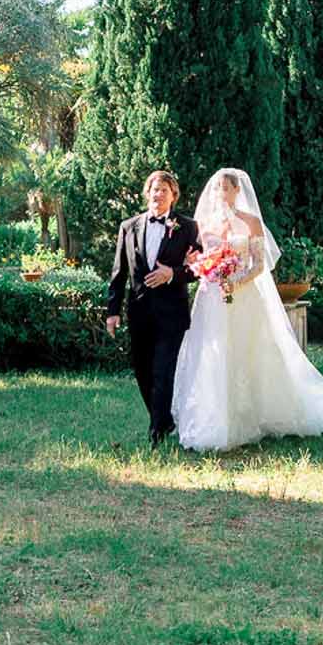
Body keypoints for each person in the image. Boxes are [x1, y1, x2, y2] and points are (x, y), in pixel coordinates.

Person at [172, 168, 323, 453]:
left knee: (250, 351)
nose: (220, 194)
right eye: (217, 189)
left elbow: (259, 264)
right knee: (212, 353)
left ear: (237, 191)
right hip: (212, 297)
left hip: (244, 295)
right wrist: (202, 267)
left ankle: (256, 415)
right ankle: (212, 418)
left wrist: (235, 281)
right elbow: (197, 259)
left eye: (226, 189)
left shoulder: (251, 222)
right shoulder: (204, 224)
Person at [106, 170, 202, 447]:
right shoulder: (129, 226)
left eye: (164, 190)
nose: (158, 194)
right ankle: (164, 419)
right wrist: (112, 312)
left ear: (174, 196)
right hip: (138, 312)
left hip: (172, 314)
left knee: (163, 371)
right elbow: (118, 273)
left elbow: (198, 268)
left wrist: (171, 273)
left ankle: (156, 432)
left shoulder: (188, 227)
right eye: (154, 189)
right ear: (147, 193)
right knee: (142, 371)